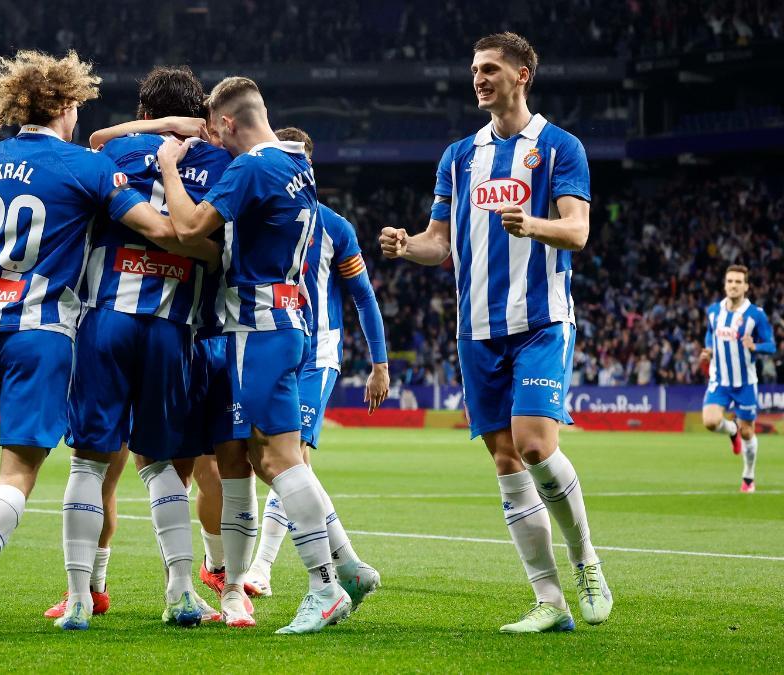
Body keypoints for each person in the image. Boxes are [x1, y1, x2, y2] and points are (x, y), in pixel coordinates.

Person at [0, 50, 177, 637]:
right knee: (17, 472)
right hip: (42, 330)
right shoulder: (84, 167)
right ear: (68, 103)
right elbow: (159, 228)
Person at [378, 32, 612, 633]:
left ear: (522, 74)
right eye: (474, 70)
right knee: (506, 460)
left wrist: (531, 224)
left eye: (489, 69)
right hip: (476, 330)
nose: (478, 78)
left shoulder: (560, 147)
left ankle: (586, 560)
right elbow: (440, 243)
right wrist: (409, 247)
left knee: (535, 444)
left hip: (539, 320)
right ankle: (550, 600)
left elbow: (578, 232)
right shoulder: (459, 155)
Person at [158, 75, 352, 634]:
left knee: (275, 460)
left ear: (226, 124)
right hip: (291, 320)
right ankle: (338, 572)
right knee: (270, 457)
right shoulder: (297, 162)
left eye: (216, 131)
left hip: (258, 323)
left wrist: (172, 166)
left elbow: (191, 225)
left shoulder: (251, 167)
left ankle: (324, 584)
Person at [53, 65, 225, 631]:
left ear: (144, 112)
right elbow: (224, 249)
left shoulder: (110, 158)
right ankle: (179, 591)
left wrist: (114, 135)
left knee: (88, 460)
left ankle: (79, 597)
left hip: (105, 320)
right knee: (162, 469)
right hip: (174, 329)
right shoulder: (222, 162)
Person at [244, 127, 389, 614]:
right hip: (272, 341)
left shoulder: (334, 226)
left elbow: (363, 297)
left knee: (292, 457)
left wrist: (379, 362)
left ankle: (262, 569)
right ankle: (351, 567)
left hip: (318, 352)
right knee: (273, 458)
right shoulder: (261, 218)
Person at [700, 264, 776, 492]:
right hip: (720, 379)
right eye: (730, 281)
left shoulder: (756, 315)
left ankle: (748, 477)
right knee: (710, 422)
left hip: (745, 383)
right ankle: (731, 430)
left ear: (746, 286)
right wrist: (709, 349)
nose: (733, 285)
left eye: (738, 282)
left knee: (748, 431)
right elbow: (709, 333)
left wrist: (756, 346)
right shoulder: (714, 311)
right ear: (725, 284)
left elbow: (771, 345)